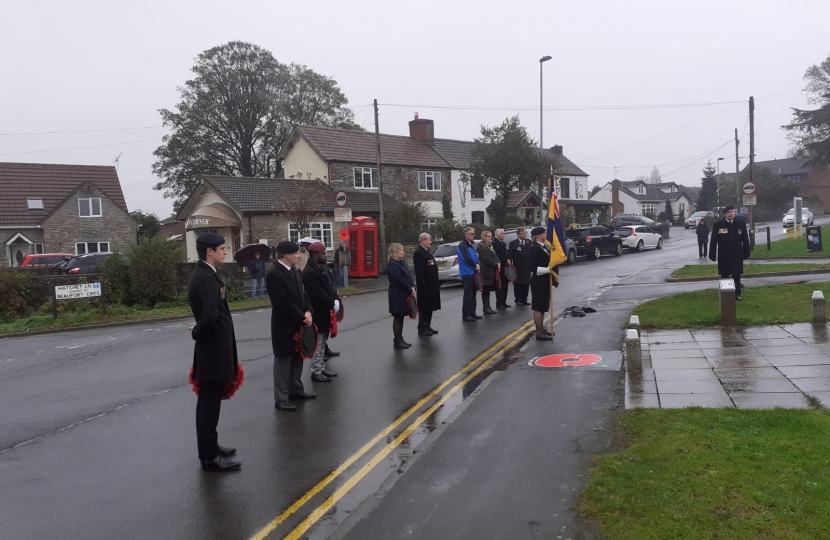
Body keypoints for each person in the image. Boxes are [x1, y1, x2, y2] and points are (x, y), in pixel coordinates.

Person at [188, 232, 241, 472]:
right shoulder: (206, 278)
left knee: (210, 402)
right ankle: (209, 457)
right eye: (222, 248)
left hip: (214, 348)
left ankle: (212, 446)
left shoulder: (207, 274)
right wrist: (196, 331)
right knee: (208, 404)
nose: (225, 252)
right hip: (212, 349)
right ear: (210, 251)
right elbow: (209, 317)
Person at [266, 241, 316, 411]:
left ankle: (296, 390)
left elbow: (304, 293)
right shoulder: (274, 275)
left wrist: (308, 310)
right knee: (283, 361)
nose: (299, 255)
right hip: (284, 326)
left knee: (297, 358)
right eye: (296, 253)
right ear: (287, 255)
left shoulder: (294, 271)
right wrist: (302, 316)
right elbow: (282, 302)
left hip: (299, 323)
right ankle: (281, 398)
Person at [302, 243, 340, 383]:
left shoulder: (320, 268)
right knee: (318, 343)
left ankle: (321, 368)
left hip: (324, 311)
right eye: (323, 254)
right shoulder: (309, 272)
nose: (326, 256)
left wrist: (335, 298)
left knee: (323, 341)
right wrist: (331, 302)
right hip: (317, 311)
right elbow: (318, 292)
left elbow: (329, 287)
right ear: (315, 255)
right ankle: (316, 371)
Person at [709, 205, 750, 301]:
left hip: (737, 253)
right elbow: (714, 240)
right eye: (728, 212)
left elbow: (745, 239)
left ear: (734, 213)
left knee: (736, 274)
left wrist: (746, 251)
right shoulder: (718, 225)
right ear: (725, 214)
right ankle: (726, 294)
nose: (731, 214)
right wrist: (712, 254)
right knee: (725, 274)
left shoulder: (740, 224)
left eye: (732, 212)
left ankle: (737, 294)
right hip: (724, 254)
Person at [387, 243, 416, 349]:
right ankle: (397, 341)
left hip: (404, 292)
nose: (403, 252)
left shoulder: (401, 263)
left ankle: (400, 338)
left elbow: (408, 276)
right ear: (395, 252)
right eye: (401, 250)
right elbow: (399, 280)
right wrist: (409, 288)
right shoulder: (392, 265)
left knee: (401, 316)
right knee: (398, 317)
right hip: (397, 293)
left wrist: (412, 286)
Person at [413, 232, 441, 336]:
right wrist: (422, 284)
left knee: (430, 306)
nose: (431, 242)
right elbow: (419, 271)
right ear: (423, 240)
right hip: (425, 286)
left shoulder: (426, 251)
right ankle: (422, 327)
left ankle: (428, 325)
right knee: (424, 307)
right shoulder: (419, 253)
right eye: (429, 240)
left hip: (431, 285)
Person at [528, 227, 553, 341]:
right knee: (539, 307)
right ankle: (539, 332)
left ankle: (542, 329)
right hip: (538, 282)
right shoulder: (534, 248)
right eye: (544, 233)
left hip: (544, 281)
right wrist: (547, 270)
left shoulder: (543, 247)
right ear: (538, 235)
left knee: (543, 307)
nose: (545, 234)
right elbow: (531, 266)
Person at [457, 227, 481, 321]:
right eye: (471, 234)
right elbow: (465, 258)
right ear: (466, 234)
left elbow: (475, 256)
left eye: (473, 234)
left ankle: (472, 312)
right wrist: (474, 265)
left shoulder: (471, 245)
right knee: (468, 294)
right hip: (467, 272)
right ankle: (466, 314)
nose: (473, 235)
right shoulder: (462, 245)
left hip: (473, 271)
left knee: (473, 294)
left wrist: (478, 264)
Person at [476, 230, 500, 315]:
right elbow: (486, 259)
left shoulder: (490, 246)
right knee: (485, 289)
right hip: (486, 271)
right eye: (489, 236)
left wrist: (498, 262)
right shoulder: (482, 247)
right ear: (484, 237)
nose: (491, 238)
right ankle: (485, 308)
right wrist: (496, 264)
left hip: (491, 270)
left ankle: (488, 307)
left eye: (491, 236)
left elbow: (495, 255)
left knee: (488, 289)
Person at [507, 227, 532, 306]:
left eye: (525, 233)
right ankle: (518, 299)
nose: (524, 235)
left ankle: (524, 299)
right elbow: (510, 253)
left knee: (526, 283)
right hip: (518, 266)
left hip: (527, 266)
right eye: (523, 233)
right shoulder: (513, 243)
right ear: (518, 234)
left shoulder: (529, 242)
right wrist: (509, 261)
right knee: (518, 284)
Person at [492, 228, 511, 309]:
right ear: (497, 235)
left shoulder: (503, 243)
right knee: (500, 285)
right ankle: (499, 303)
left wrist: (509, 259)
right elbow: (498, 255)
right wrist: (505, 260)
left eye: (504, 233)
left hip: (505, 267)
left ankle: (504, 301)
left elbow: (506, 253)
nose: (504, 235)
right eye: (502, 233)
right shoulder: (495, 243)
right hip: (500, 267)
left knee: (505, 285)